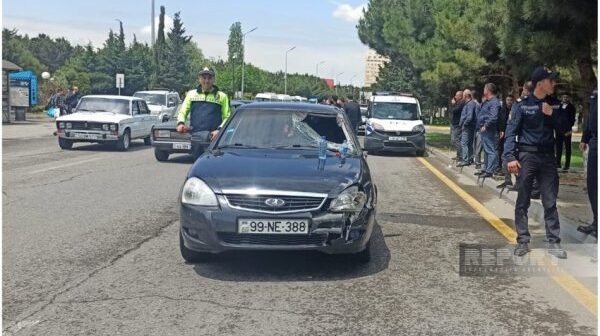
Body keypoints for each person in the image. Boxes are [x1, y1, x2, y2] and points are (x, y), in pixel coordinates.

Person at [504, 66, 566, 258]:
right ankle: (523, 240)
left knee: (550, 200)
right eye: (551, 80)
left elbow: (564, 129)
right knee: (523, 200)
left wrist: (552, 114)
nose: (554, 84)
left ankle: (554, 242)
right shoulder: (522, 104)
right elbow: (511, 132)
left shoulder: (554, 104)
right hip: (527, 157)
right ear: (541, 83)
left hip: (547, 158)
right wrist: (510, 157)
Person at [176, 67, 230, 141]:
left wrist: (219, 130)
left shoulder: (222, 96)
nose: (207, 81)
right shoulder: (191, 94)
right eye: (204, 78)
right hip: (195, 137)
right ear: (199, 78)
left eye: (209, 78)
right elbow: (183, 111)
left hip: (214, 138)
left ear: (213, 79)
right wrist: (180, 123)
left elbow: (227, 117)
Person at [577, 89, 598, 238]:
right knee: (593, 185)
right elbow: (591, 116)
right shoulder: (595, 91)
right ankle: (597, 222)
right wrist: (585, 137)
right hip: (595, 140)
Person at [474, 83, 501, 178]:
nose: (483, 91)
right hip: (483, 129)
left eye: (485, 89)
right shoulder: (487, 101)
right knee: (486, 150)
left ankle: (489, 170)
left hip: (488, 129)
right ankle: (485, 169)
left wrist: (485, 125)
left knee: (490, 150)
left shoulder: (494, 102)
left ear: (488, 90)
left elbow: (493, 117)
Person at [496, 95, 514, 188]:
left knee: (510, 158)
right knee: (503, 156)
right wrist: (501, 130)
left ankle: (515, 181)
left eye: (511, 100)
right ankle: (507, 180)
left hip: (512, 137)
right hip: (505, 135)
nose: (509, 102)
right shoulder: (503, 110)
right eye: (508, 100)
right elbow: (500, 121)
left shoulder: (515, 110)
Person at [555, 94, 576, 171]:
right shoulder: (559, 106)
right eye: (563, 97)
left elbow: (572, 119)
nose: (565, 98)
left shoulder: (571, 107)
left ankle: (567, 165)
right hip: (558, 130)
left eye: (566, 97)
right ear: (561, 98)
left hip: (567, 130)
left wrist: (569, 128)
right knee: (558, 147)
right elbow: (556, 117)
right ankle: (558, 163)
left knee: (568, 148)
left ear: (569, 98)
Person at [457, 89, 478, 166]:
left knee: (464, 143)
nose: (462, 96)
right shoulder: (470, 103)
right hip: (470, 127)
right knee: (469, 144)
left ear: (466, 95)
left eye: (463, 95)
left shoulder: (470, 104)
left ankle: (465, 159)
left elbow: (469, 117)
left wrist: (464, 124)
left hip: (467, 127)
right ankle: (470, 158)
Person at [450, 91, 466, 160]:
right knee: (455, 140)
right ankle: (458, 155)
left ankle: (461, 156)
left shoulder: (461, 103)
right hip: (455, 124)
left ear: (460, 96)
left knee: (456, 140)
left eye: (456, 95)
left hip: (457, 124)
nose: (455, 97)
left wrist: (453, 104)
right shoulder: (458, 103)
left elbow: (455, 110)